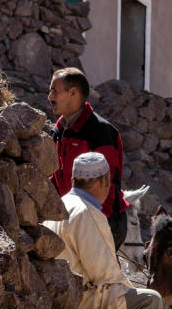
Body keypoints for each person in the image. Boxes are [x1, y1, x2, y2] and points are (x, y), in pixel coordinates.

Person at [43, 152, 163, 309]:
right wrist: (129, 290)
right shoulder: (88, 213)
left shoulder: (61, 203)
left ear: (74, 180)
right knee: (150, 301)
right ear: (103, 181)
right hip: (85, 299)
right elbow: (104, 273)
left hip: (58, 294)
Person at [48, 68, 129, 251]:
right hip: (74, 219)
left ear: (73, 93)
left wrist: (90, 226)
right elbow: (55, 177)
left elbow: (106, 187)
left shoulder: (101, 133)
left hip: (103, 221)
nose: (49, 97)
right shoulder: (57, 132)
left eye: (54, 91)